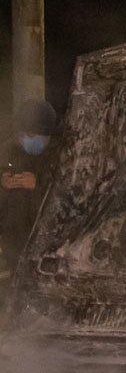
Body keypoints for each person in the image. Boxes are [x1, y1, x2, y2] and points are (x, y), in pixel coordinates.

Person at [1, 100, 58, 277]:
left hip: (48, 247)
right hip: (14, 242)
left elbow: (67, 202)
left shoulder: (64, 154)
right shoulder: (9, 149)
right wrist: (3, 182)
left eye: (32, 135)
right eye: (23, 134)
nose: (26, 139)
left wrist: (38, 186)